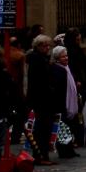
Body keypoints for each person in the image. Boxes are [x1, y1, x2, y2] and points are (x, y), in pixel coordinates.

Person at [26, 34, 56, 164]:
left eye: (48, 45)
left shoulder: (43, 58)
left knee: (45, 127)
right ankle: (40, 155)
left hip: (45, 98)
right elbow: (39, 81)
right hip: (41, 98)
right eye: (45, 46)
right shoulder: (36, 59)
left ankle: (43, 154)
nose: (47, 48)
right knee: (42, 128)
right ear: (38, 46)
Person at [63, 27, 86, 144]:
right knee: (78, 112)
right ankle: (79, 136)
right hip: (78, 85)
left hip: (85, 84)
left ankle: (83, 136)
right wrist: (77, 80)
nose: (79, 42)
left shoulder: (78, 50)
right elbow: (72, 68)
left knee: (84, 111)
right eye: (77, 40)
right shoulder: (70, 52)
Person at [50, 45, 80, 157]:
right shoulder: (57, 70)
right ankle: (64, 151)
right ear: (57, 58)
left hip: (69, 104)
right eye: (63, 57)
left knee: (69, 127)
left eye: (66, 56)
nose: (66, 58)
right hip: (61, 104)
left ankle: (70, 149)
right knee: (62, 128)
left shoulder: (66, 68)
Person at [7, 36, 27, 144]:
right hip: (16, 88)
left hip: (5, 88)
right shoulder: (20, 55)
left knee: (9, 112)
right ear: (19, 45)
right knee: (21, 113)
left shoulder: (3, 53)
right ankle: (15, 136)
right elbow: (23, 75)